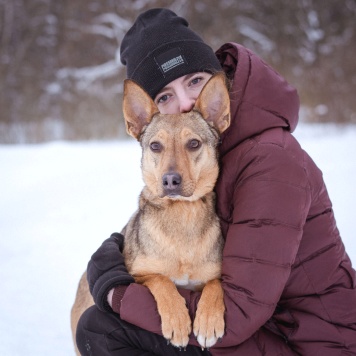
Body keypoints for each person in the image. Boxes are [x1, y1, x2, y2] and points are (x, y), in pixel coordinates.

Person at [76, 8, 356, 355]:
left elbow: (237, 313)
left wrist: (115, 292)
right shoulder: (221, 152)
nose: (186, 102)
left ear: (218, 92)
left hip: (312, 344)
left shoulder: (270, 160)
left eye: (194, 82)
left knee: (101, 329)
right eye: (165, 97)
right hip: (271, 329)